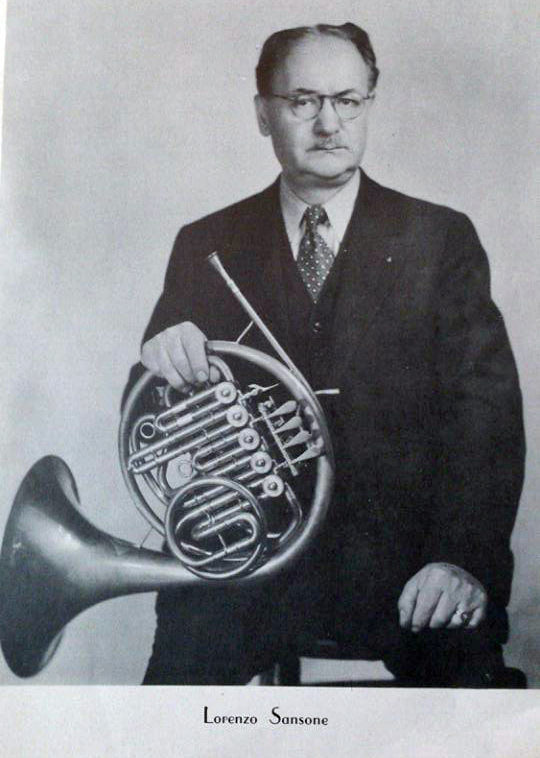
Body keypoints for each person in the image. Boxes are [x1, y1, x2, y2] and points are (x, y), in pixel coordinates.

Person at [125, 22, 525, 686]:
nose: (329, 123)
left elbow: (487, 424)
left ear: (370, 104)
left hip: (409, 568)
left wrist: (461, 560)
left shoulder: (440, 240)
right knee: (171, 711)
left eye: (347, 100)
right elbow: (145, 418)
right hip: (245, 570)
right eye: (303, 101)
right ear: (263, 113)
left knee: (469, 712)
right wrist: (162, 362)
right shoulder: (207, 242)